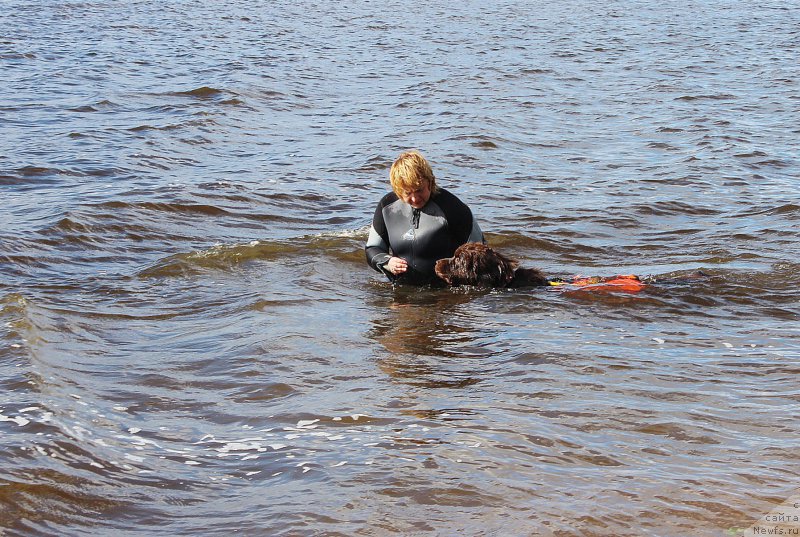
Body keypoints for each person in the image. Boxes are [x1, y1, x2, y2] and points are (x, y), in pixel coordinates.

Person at [365, 150, 485, 285]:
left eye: (419, 190)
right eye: (408, 193)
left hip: (444, 294)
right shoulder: (386, 207)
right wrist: (387, 262)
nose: (415, 199)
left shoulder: (453, 208)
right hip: (402, 295)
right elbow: (372, 249)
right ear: (398, 190)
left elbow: (480, 253)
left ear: (430, 182)